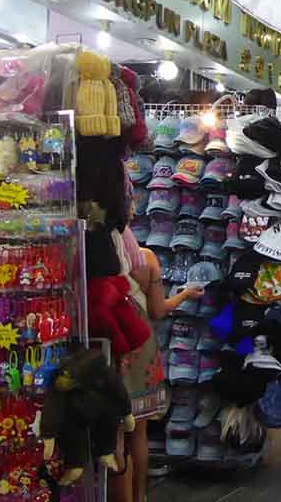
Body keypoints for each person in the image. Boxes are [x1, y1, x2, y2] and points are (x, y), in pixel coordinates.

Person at [111, 185, 202, 502]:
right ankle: (139, 496)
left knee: (115, 434)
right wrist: (187, 293)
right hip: (142, 347)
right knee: (138, 431)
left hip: (113, 344)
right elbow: (159, 311)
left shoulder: (100, 258)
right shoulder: (147, 258)